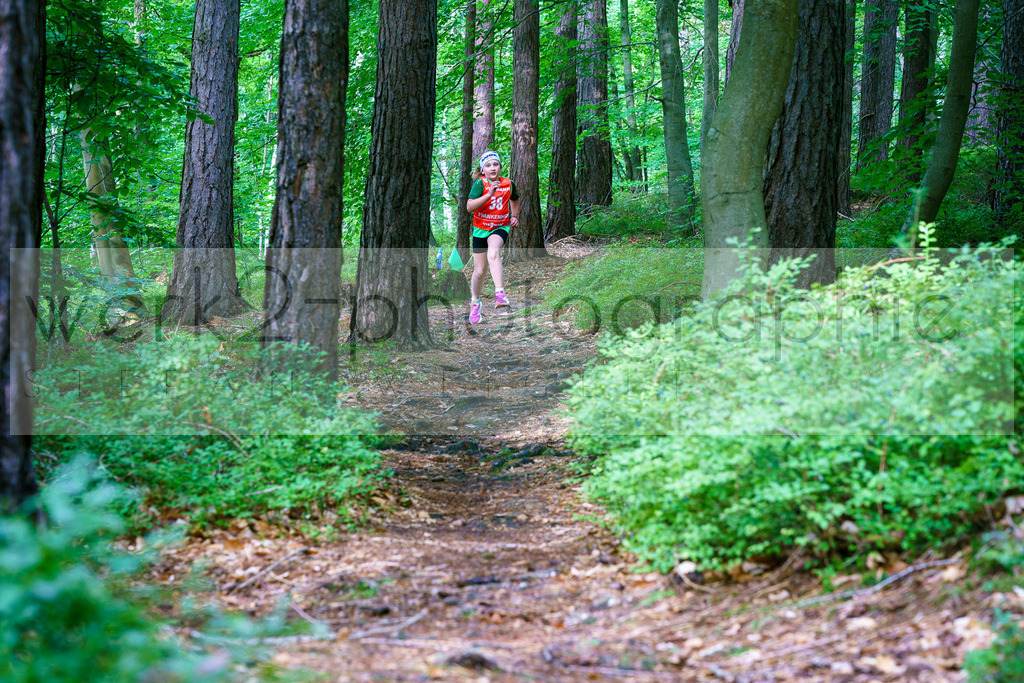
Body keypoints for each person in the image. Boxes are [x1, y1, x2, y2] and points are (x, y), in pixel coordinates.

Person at [464, 151, 519, 325]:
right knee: (479, 271)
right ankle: (475, 302)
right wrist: (489, 194)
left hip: (500, 227)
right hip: (481, 230)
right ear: (483, 170)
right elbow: (469, 207)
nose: (492, 168)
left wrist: (515, 215)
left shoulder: (508, 183)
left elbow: (515, 199)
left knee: (493, 253)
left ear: (501, 167)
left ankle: (500, 294)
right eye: (488, 165)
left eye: (495, 164)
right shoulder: (480, 184)